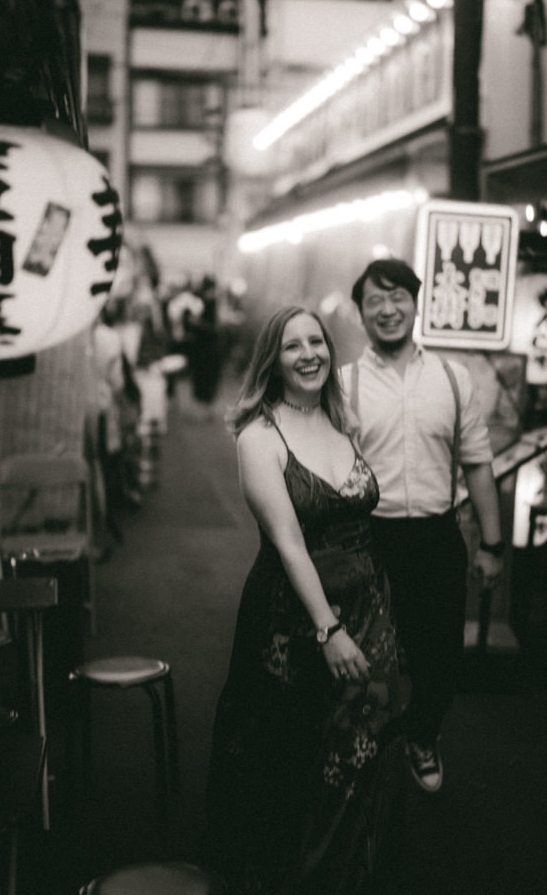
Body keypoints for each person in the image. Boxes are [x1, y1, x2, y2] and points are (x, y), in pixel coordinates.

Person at [203, 306, 406, 895]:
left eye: (316, 341)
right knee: (290, 754)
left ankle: (350, 875)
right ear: (274, 359)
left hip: (369, 604)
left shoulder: (345, 422)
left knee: (364, 746)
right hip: (292, 618)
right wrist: (328, 629)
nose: (309, 353)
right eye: (293, 346)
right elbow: (290, 543)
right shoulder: (259, 436)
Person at [341, 258, 504, 795]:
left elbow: (478, 463)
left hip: (437, 537)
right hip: (371, 539)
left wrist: (492, 544)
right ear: (360, 313)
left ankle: (422, 735)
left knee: (440, 658)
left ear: (416, 303)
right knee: (366, 655)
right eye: (374, 301)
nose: (387, 310)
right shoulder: (346, 386)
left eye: (397, 298)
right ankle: (362, 746)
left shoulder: (454, 380)